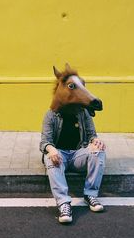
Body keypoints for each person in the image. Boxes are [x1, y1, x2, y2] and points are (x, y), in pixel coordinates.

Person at [40, 65, 106, 224]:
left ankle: (90, 194)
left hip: (77, 155)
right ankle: (63, 203)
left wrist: (95, 141)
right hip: (59, 156)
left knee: (99, 150)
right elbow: (44, 142)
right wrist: (51, 150)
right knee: (50, 157)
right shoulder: (51, 115)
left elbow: (91, 135)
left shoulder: (83, 113)